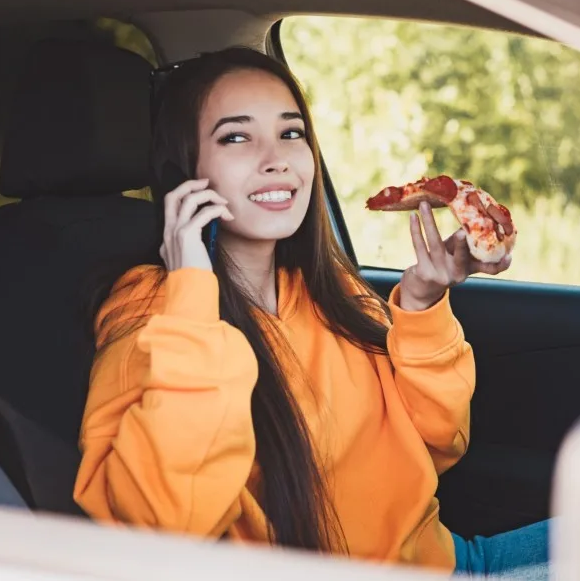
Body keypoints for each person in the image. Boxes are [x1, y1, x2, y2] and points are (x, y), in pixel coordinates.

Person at [73, 47, 549, 578]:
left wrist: (421, 303)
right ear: (184, 169)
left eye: (291, 132)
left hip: (448, 560)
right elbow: (163, 529)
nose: (275, 157)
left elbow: (439, 445)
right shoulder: (151, 314)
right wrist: (192, 294)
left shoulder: (327, 287)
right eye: (236, 136)